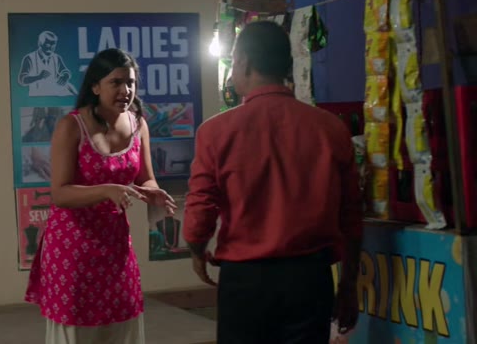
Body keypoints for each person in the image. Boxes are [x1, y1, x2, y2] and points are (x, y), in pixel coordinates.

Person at [183, 21, 363, 344]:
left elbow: (200, 208)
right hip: (310, 280)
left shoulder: (215, 132)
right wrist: (348, 285)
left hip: (245, 282)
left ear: (243, 62)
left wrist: (197, 250)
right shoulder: (330, 129)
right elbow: (351, 216)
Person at [25, 48, 178, 344]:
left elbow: (145, 177)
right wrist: (108, 190)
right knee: (78, 329)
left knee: (122, 321)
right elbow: (60, 193)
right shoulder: (71, 126)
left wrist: (153, 192)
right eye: (116, 82)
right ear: (95, 87)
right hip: (72, 247)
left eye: (130, 83)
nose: (126, 90)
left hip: (116, 244)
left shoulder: (138, 124)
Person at [18, 31, 75, 97]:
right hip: (37, 98)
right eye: (48, 45)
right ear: (40, 44)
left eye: (53, 46)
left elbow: (65, 71)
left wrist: (65, 76)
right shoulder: (29, 58)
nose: (50, 49)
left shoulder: (56, 57)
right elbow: (22, 80)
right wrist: (38, 77)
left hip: (55, 96)